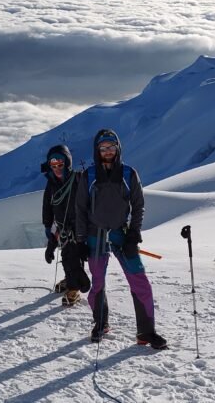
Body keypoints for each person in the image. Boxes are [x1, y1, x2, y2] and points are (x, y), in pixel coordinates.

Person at [75, 129, 167, 349]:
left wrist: (134, 233)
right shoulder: (88, 176)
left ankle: (146, 332)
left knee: (139, 280)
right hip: (95, 235)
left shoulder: (128, 174)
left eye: (111, 147)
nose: (108, 151)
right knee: (98, 282)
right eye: (103, 148)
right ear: (97, 151)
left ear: (118, 149)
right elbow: (80, 208)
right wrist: (80, 240)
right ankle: (101, 323)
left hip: (122, 234)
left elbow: (138, 205)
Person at [41, 144, 90, 307]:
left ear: (67, 163)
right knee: (66, 256)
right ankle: (70, 279)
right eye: (53, 165)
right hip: (62, 226)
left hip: (78, 227)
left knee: (72, 256)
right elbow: (47, 206)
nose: (56, 168)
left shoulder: (78, 179)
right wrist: (48, 227)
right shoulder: (51, 183)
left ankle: (74, 288)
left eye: (60, 164)